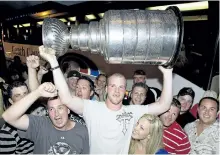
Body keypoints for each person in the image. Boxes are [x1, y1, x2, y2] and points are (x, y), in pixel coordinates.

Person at [39, 46, 173, 154]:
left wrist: (167, 73)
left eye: (121, 87)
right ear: (107, 89)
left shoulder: (133, 111)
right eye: (113, 86)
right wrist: (54, 63)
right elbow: (66, 98)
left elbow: (164, 105)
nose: (116, 91)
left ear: (126, 91)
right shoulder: (92, 107)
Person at [2, 82, 90, 154]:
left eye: (60, 108)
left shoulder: (82, 131)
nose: (57, 114)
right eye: (52, 109)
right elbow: (8, 117)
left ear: (68, 110)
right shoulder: (40, 124)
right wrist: (37, 92)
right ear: (47, 111)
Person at [0, 81, 34, 154]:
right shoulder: (7, 132)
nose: (24, 98)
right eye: (18, 95)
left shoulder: (36, 116)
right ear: (11, 101)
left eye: (25, 94)